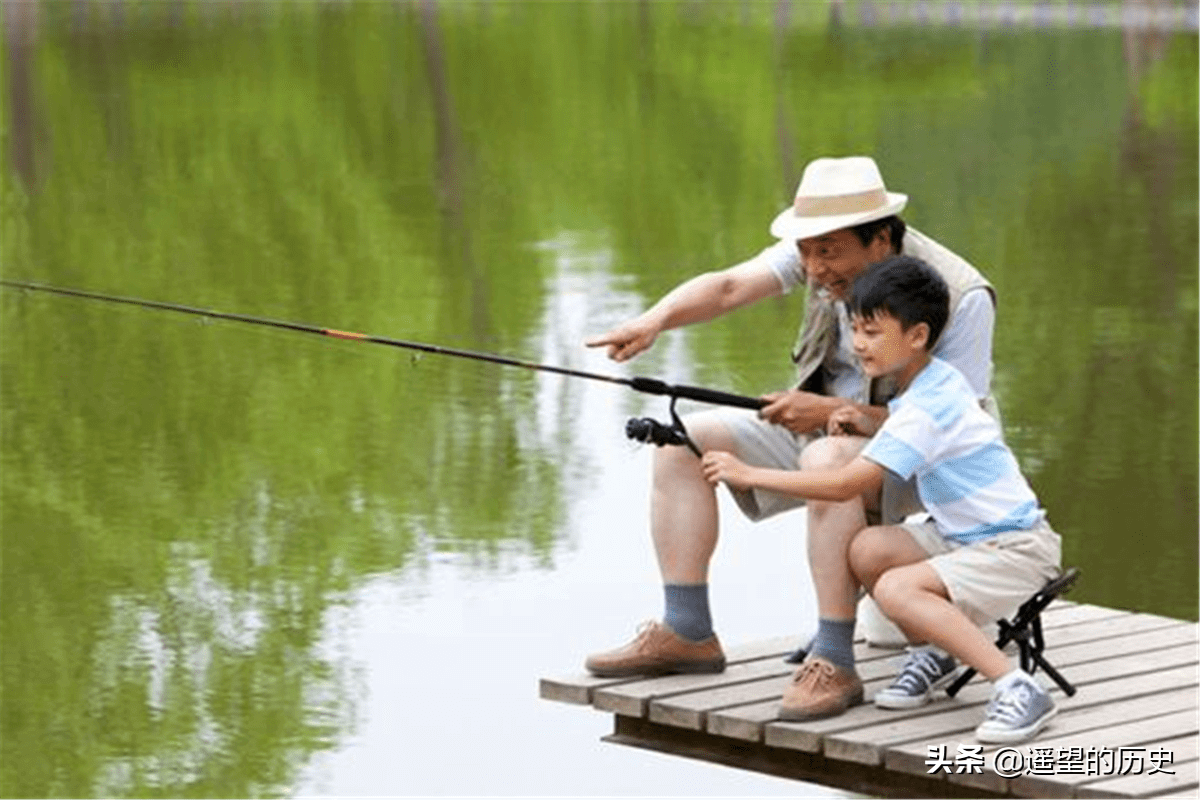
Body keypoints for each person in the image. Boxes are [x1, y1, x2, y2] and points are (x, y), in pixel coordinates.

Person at [582, 156, 997, 702]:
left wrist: (825, 416)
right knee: (680, 440)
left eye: (828, 252)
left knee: (830, 459)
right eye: (806, 251)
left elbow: (953, 427)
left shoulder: (960, 295)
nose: (815, 266)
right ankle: (687, 632)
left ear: (879, 240)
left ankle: (834, 660)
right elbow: (729, 286)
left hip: (929, 461)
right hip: (825, 432)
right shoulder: (820, 254)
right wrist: (654, 320)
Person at [699, 256, 1062, 743]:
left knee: (895, 589)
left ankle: (1017, 687)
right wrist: (865, 420)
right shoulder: (930, 384)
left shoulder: (927, 404)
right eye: (854, 329)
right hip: (964, 538)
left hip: (1015, 549)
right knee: (867, 550)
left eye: (872, 332)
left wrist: (748, 472)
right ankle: (934, 652)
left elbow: (846, 484)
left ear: (917, 336)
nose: (858, 344)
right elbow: (912, 426)